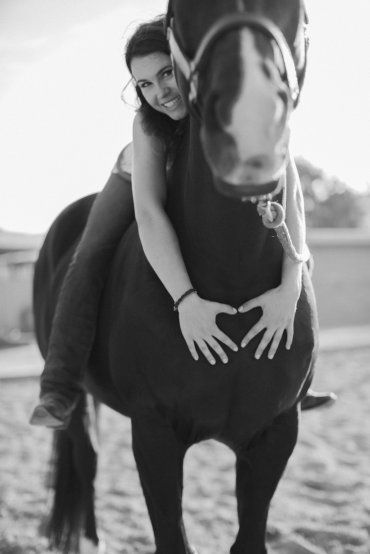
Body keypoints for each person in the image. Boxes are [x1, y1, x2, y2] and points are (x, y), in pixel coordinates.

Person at [30, 16, 335, 429]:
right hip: (136, 176)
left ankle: (299, 376)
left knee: (301, 257)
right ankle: (60, 385)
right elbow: (151, 214)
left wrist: (291, 284)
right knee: (88, 258)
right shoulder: (149, 126)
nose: (160, 93)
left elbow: (290, 198)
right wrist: (187, 300)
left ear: (189, 64)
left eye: (166, 73)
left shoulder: (236, 103)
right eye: (144, 85)